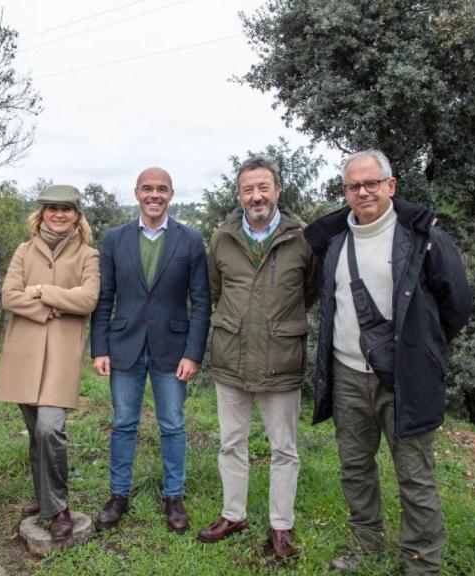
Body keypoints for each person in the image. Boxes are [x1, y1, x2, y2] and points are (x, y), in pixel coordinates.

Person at [303, 150, 472, 574]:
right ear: (345, 192)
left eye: (372, 183)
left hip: (406, 379)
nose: (363, 192)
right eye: (354, 186)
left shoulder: (423, 239)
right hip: (347, 376)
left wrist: (422, 350)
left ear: (391, 186)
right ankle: (366, 547)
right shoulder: (335, 241)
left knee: (415, 476)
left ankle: (421, 563)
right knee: (355, 469)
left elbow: (458, 304)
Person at [197, 156, 318, 558]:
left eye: (263, 187)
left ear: (277, 190)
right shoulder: (222, 237)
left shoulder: (302, 237)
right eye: (248, 189)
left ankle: (281, 527)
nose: (256, 196)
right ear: (239, 194)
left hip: (281, 358)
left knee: (284, 448)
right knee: (232, 442)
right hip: (231, 358)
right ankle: (234, 514)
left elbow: (310, 292)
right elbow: (217, 290)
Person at [90, 166, 211, 534]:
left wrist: (193, 353)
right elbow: (104, 297)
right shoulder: (114, 238)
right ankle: (118, 495)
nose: (154, 195)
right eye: (147, 189)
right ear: (136, 193)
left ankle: (174, 496)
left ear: (171, 194)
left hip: (172, 349)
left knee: (172, 424)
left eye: (161, 189)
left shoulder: (190, 240)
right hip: (124, 345)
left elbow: (201, 301)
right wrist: (99, 348)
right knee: (124, 423)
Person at [0, 185, 101, 541]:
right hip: (23, 353)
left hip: (61, 357)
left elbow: (87, 299)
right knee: (36, 434)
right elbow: (8, 296)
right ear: (41, 213)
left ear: (76, 215)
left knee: (50, 429)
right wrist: (56, 306)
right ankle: (43, 498)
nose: (59, 214)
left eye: (66, 209)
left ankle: (59, 508)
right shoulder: (24, 251)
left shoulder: (88, 255)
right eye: (52, 208)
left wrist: (40, 291)